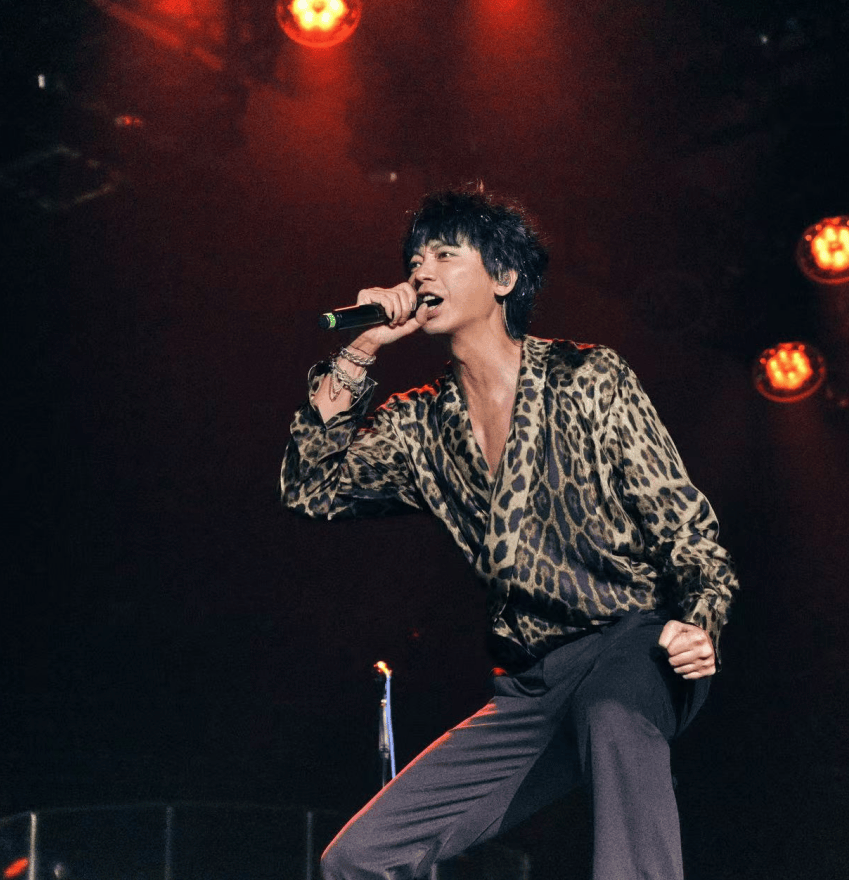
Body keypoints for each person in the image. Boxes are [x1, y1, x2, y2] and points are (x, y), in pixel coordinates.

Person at [280, 187, 738, 880]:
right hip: (530, 687)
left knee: (613, 714)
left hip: (633, 644)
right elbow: (310, 489)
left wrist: (700, 620)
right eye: (414, 260)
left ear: (503, 277)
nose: (421, 272)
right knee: (357, 858)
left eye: (444, 254)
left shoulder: (588, 379)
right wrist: (362, 348)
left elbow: (687, 526)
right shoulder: (418, 425)